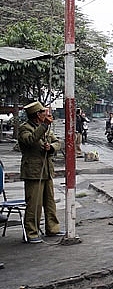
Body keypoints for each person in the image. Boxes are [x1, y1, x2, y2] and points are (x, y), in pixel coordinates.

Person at [18, 101, 64, 244]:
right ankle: (32, 232)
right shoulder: (24, 128)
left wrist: (51, 147)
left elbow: (57, 142)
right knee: (34, 204)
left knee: (50, 202)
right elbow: (30, 140)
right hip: (33, 171)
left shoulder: (45, 128)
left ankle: (52, 228)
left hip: (47, 170)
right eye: (44, 112)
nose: (46, 114)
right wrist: (44, 126)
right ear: (38, 115)